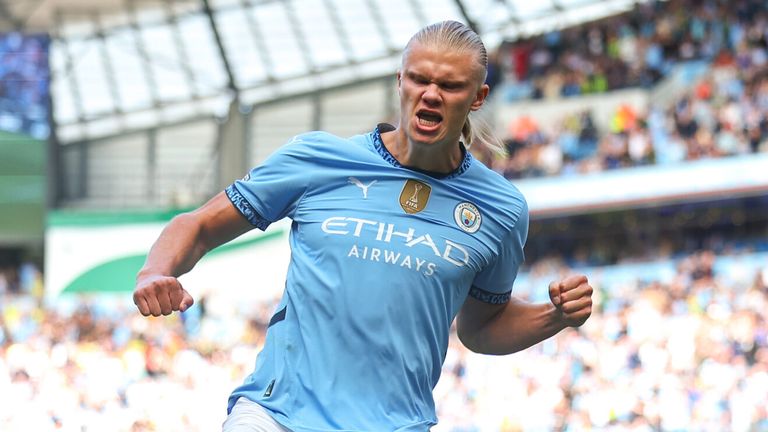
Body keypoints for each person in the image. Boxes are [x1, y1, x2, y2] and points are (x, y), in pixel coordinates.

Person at [132, 20, 593, 432]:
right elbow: (200, 225)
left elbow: (481, 327)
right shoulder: (317, 158)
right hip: (276, 413)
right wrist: (155, 271)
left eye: (450, 86)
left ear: (478, 97)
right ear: (400, 82)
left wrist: (552, 317)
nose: (431, 93)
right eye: (419, 79)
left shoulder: (501, 208)